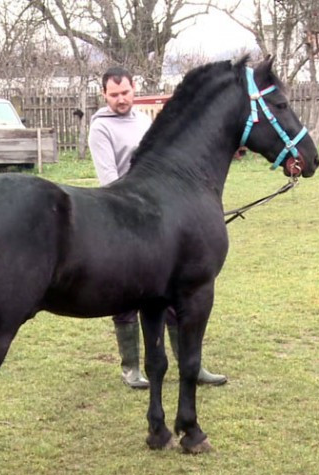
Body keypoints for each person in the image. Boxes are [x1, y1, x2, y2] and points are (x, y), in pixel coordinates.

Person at [88, 66, 228, 389]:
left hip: (159, 217)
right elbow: (109, 178)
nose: (121, 100)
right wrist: (143, 202)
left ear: (134, 88)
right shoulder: (100, 129)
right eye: (114, 95)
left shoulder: (144, 121)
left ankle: (190, 365)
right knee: (125, 295)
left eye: (125, 93)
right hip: (122, 213)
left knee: (174, 292)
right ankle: (131, 367)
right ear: (104, 94)